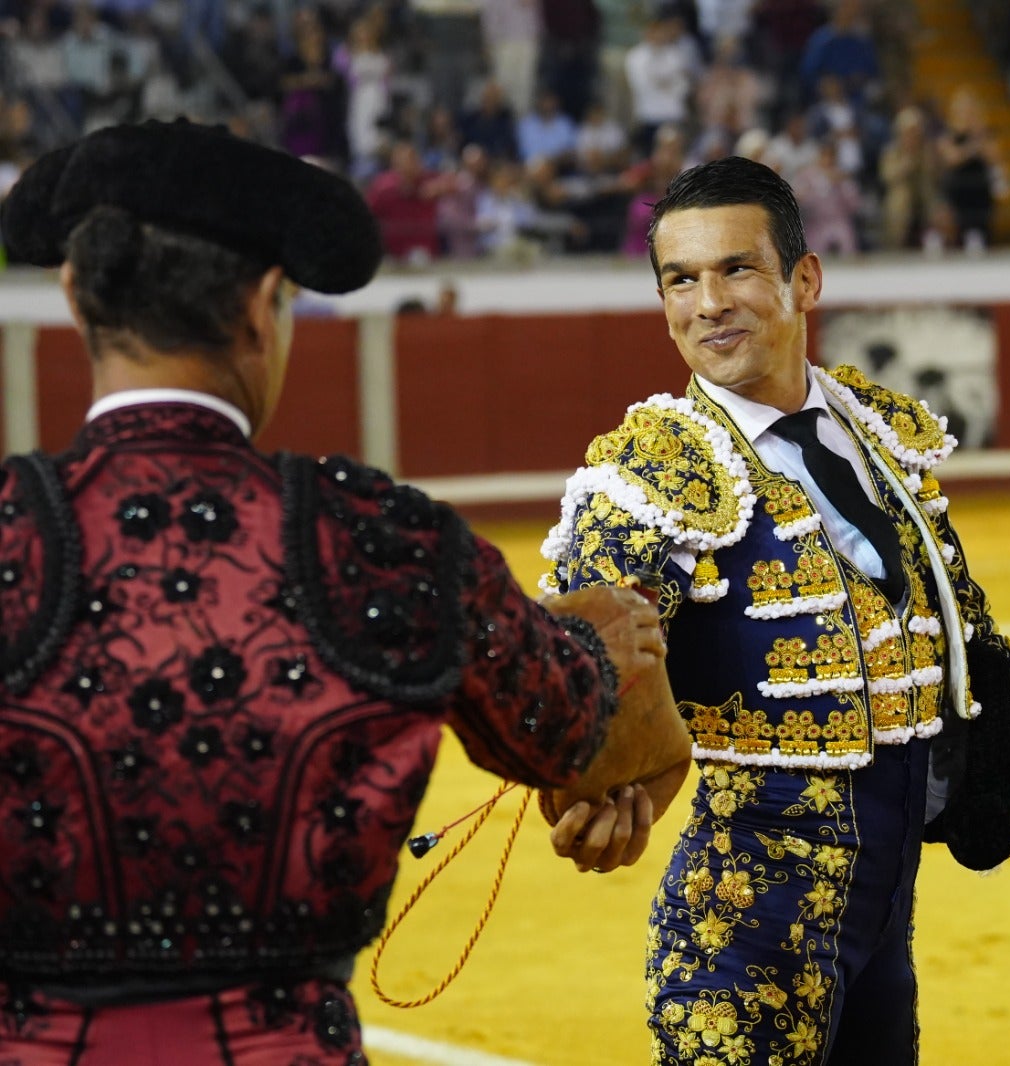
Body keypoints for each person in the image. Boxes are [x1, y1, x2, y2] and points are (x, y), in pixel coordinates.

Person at [0, 118, 690, 1064]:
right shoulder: (384, 543)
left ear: (77, 297)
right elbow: (581, 728)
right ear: (261, 309)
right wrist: (609, 639)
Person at [541, 156, 1010, 1065]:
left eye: (737, 268)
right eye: (680, 279)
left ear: (804, 278)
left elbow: (959, 631)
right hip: (743, 933)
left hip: (885, 924)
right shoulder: (647, 476)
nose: (709, 303)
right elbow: (570, 677)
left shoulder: (878, 431)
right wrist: (598, 788)